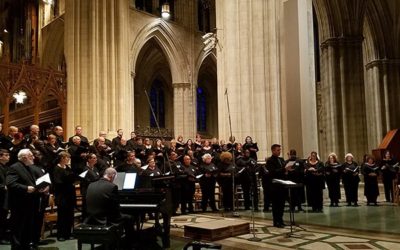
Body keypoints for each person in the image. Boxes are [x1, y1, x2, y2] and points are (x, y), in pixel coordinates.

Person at [6, 149, 49, 250]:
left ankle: (26, 245)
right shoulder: (15, 167)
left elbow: (32, 182)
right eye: (31, 156)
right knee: (18, 228)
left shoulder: (28, 167)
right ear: (24, 157)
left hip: (29, 202)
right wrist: (26, 188)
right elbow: (10, 183)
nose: (33, 157)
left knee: (27, 227)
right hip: (19, 204)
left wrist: (41, 187)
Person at [85, 168, 134, 244]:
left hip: (90, 218)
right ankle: (129, 243)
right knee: (129, 218)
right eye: (115, 178)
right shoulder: (112, 186)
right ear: (112, 176)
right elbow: (115, 207)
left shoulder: (91, 185)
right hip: (105, 219)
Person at [53, 152, 76, 241]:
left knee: (69, 215)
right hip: (62, 195)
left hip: (70, 194)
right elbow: (57, 182)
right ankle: (61, 235)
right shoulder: (57, 168)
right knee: (62, 215)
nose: (68, 159)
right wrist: (68, 181)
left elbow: (72, 177)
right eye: (67, 158)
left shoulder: (67, 168)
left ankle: (68, 233)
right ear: (62, 158)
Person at [266, 144, 288, 228]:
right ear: (273, 150)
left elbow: (282, 170)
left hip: (282, 185)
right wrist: (284, 170)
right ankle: (276, 221)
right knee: (276, 205)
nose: (279, 151)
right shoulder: (270, 161)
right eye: (278, 150)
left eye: (280, 150)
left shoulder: (281, 159)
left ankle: (281, 220)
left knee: (282, 204)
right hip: (275, 186)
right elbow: (273, 172)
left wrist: (286, 171)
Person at [0, 149, 10, 245]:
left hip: (5, 196)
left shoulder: (6, 167)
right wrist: (4, 186)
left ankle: (4, 235)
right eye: (6, 155)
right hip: (1, 195)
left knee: (4, 217)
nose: (8, 157)